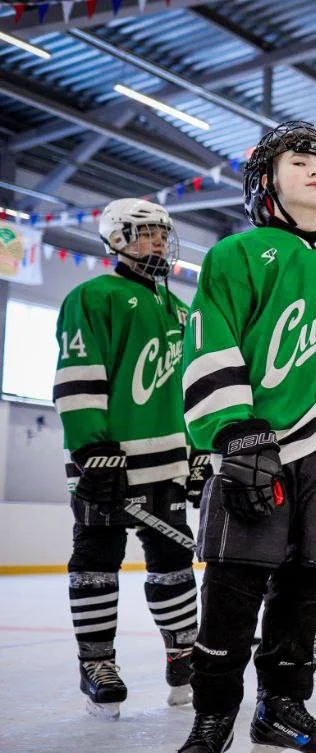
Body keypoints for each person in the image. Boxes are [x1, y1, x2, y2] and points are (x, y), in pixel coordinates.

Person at [173, 121, 316, 753]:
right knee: (234, 591)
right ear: (268, 176)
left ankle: (281, 709)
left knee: (306, 590)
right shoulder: (239, 253)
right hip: (257, 447)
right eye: (301, 160)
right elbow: (210, 341)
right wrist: (233, 431)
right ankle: (212, 715)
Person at [53, 197, 201, 718]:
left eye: (163, 232)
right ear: (116, 237)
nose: (159, 241)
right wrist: (91, 448)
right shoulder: (92, 297)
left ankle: (184, 656)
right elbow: (78, 376)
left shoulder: (181, 308)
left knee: (174, 562)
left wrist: (198, 451)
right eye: (145, 232)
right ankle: (96, 663)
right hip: (106, 463)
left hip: (167, 463)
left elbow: (190, 389)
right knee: (96, 559)